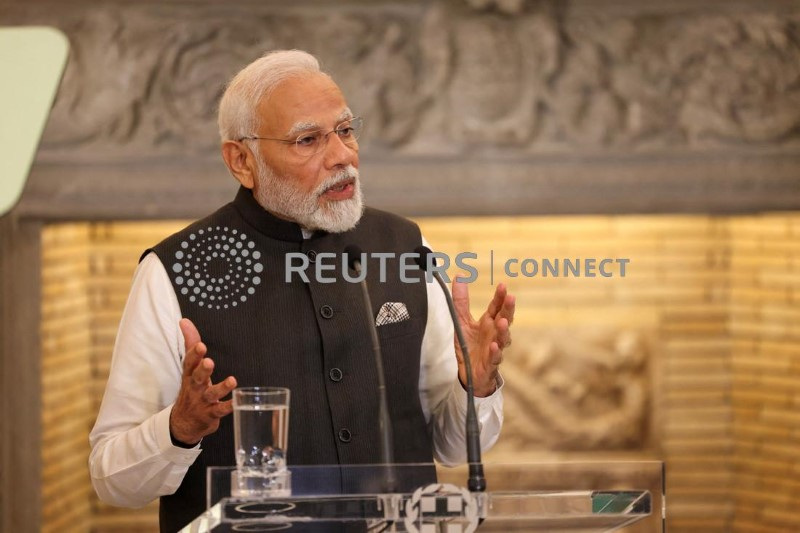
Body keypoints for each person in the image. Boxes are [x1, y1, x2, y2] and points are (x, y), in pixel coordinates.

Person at [89, 50, 516, 532]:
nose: (342, 157)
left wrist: (474, 388)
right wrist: (178, 428)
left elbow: (453, 447)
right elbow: (112, 479)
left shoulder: (407, 248)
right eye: (308, 140)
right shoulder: (174, 271)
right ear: (242, 161)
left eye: (346, 131)